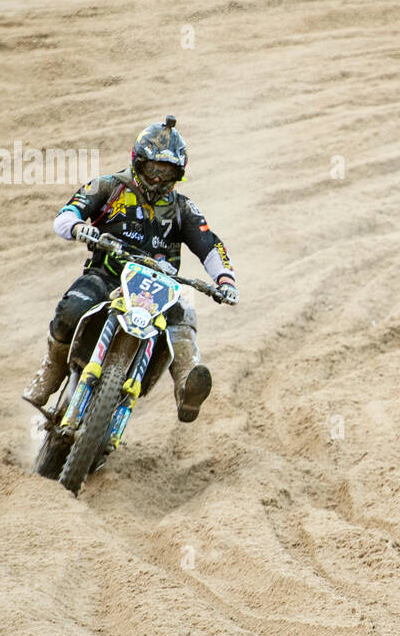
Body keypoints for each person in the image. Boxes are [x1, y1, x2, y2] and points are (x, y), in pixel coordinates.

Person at [22, 116, 239, 423]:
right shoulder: (109, 187)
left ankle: (187, 389)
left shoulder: (183, 209)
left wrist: (225, 279)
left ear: (179, 174)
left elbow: (209, 244)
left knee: (183, 315)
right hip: (106, 275)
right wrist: (79, 227)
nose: (159, 179)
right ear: (139, 163)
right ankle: (51, 370)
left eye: (168, 173)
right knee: (72, 308)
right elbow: (65, 216)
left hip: (159, 289)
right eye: (154, 169)